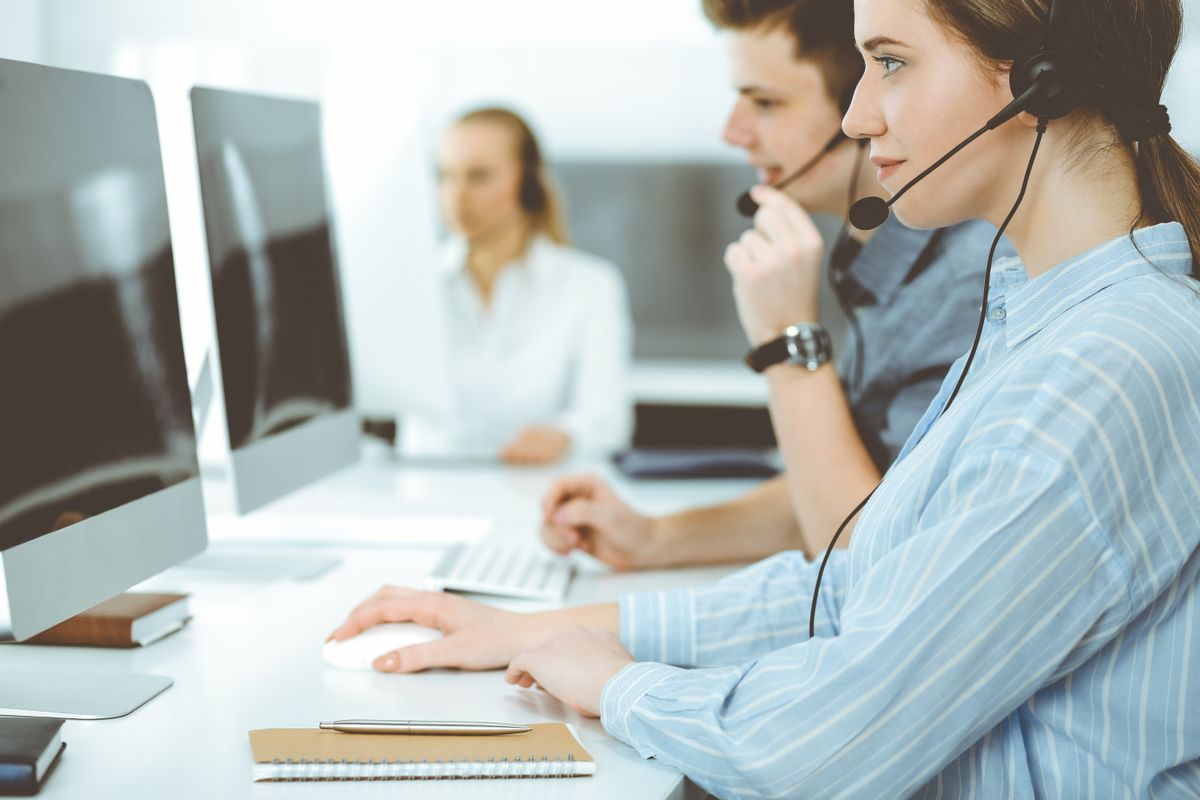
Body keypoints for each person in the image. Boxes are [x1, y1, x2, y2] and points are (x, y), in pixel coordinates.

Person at [332, 0, 1200, 795]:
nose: (860, 117)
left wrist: (620, 684)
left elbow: (822, 749)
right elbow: (862, 588)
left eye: (891, 62)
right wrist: (533, 631)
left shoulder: (1106, 368)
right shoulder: (1032, 324)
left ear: (1042, 78)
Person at [539, 0, 1010, 567]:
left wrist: (789, 343)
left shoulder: (968, 289)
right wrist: (654, 538)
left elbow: (869, 561)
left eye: (765, 103)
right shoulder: (884, 272)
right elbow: (840, 493)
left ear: (857, 102)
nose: (732, 132)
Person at [400, 107, 633, 465]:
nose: (456, 195)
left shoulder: (589, 286)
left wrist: (566, 434)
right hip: (425, 490)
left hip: (537, 489)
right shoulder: (413, 284)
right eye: (445, 175)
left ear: (527, 184)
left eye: (479, 177)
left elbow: (607, 420)